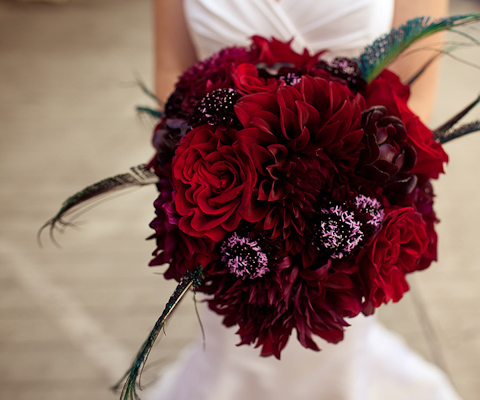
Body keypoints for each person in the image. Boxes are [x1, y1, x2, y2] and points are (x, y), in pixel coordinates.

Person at [145, 1, 460, 399]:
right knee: (231, 347)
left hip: (349, 211)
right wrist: (201, 181)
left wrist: (342, 201)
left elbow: (416, 89)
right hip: (225, 223)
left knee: (335, 349)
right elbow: (170, 71)